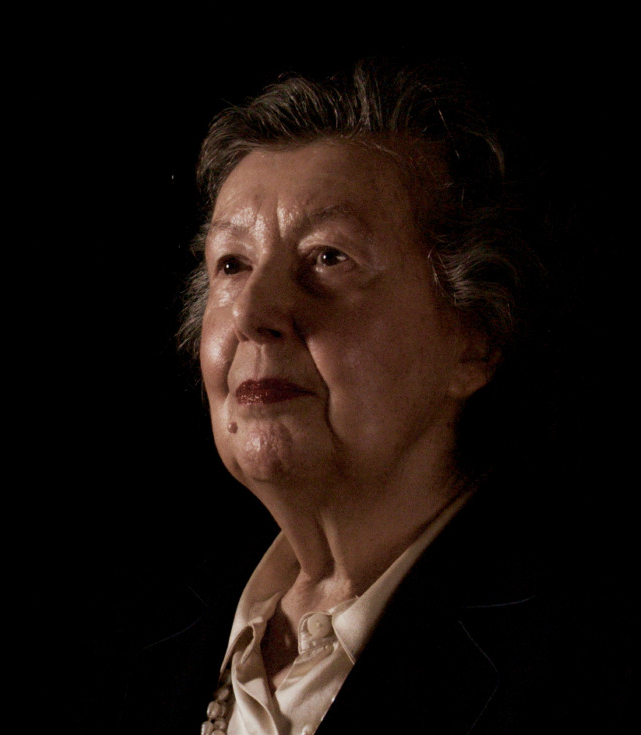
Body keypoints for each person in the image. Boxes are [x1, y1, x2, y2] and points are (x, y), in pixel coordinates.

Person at [86, 60, 626, 734]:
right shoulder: (134, 645)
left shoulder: (587, 666)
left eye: (328, 257)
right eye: (232, 264)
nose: (253, 311)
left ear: (475, 337)